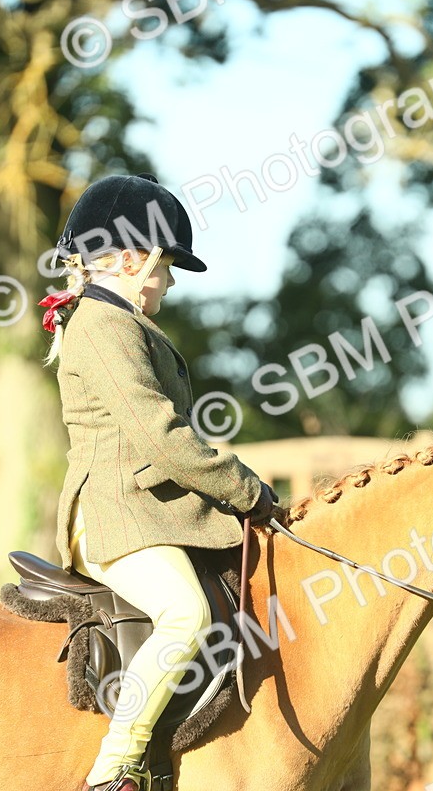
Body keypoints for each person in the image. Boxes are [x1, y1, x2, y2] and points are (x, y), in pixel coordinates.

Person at [38, 173, 278, 791]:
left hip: (150, 510)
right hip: (116, 513)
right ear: (128, 258)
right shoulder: (102, 324)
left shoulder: (120, 321)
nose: (168, 281)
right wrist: (247, 492)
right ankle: (113, 769)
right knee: (185, 613)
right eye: (165, 266)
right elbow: (161, 438)